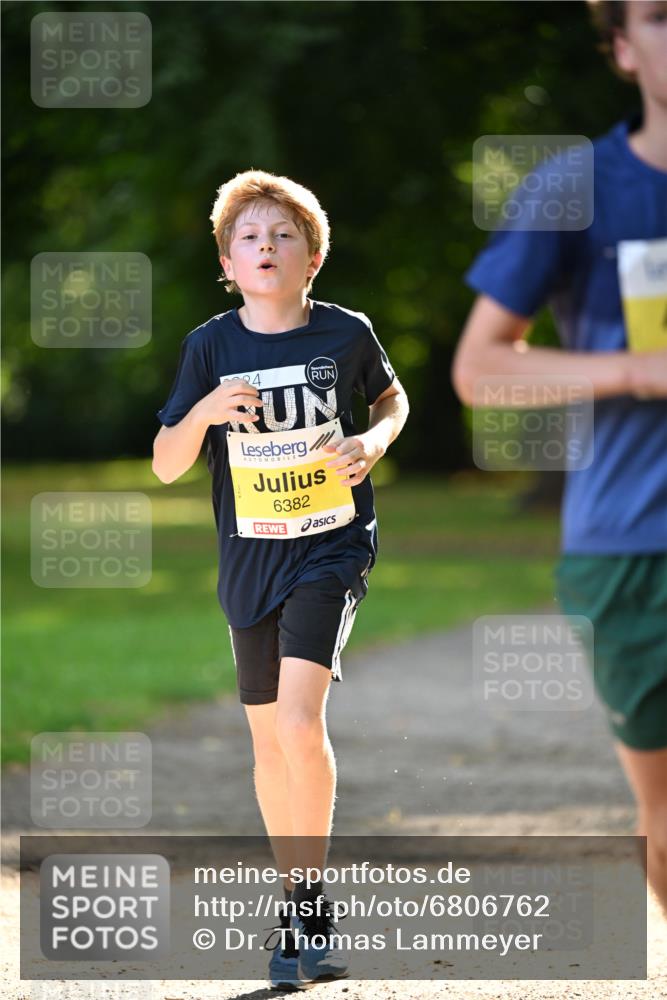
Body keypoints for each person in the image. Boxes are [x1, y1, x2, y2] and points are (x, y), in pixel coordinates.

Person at [152, 169, 409, 987]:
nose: (266, 246)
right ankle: (297, 901)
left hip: (330, 546)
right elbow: (164, 466)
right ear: (227, 263)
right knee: (267, 741)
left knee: (298, 724)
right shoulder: (210, 347)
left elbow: (393, 402)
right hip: (249, 558)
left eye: (283, 235)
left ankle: (312, 914)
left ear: (313, 258)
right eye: (250, 238)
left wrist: (370, 445)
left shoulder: (344, 334)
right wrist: (202, 413)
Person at [452, 0, 667, 913]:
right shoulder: (576, 188)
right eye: (662, 17)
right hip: (631, 549)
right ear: (621, 48)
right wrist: (636, 369)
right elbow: (479, 367)